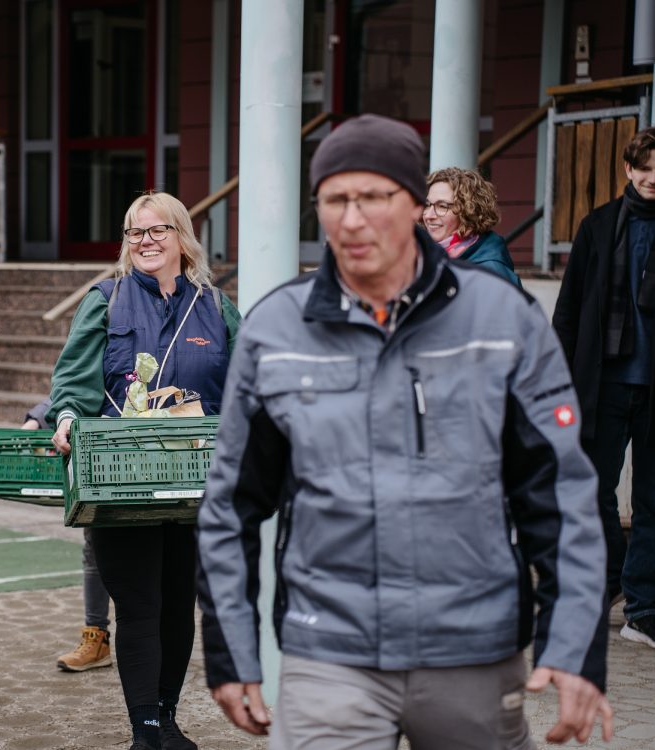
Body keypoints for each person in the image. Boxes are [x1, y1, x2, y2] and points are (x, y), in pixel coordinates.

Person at [197, 114, 612, 750]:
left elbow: (561, 496)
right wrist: (231, 652)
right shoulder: (275, 330)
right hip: (329, 652)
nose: (352, 219)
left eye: (373, 197)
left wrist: (575, 645)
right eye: (334, 199)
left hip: (472, 649)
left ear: (417, 203)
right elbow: (230, 505)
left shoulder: (503, 319)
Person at [48, 191, 241, 750]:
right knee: (138, 607)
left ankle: (168, 718)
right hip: (121, 477)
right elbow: (73, 380)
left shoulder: (217, 306)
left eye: (158, 230)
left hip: (196, 482)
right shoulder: (104, 301)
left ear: (182, 238)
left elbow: (247, 383)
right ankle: (145, 729)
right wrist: (66, 417)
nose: (145, 241)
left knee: (179, 608)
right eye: (135, 232)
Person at [554, 126, 655, 649]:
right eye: (646, 169)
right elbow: (569, 310)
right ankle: (605, 579)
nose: (653, 179)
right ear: (628, 169)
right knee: (594, 492)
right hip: (604, 383)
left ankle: (643, 609)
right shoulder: (596, 227)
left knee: (652, 501)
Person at [21, 398, 113, 672]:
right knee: (95, 548)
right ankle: (96, 638)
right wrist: (38, 418)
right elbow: (74, 387)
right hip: (98, 461)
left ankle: (156, 638)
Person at [423, 166, 522, 287]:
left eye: (442, 206)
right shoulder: (427, 257)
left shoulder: (491, 272)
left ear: (469, 211)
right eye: (427, 205)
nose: (428, 215)